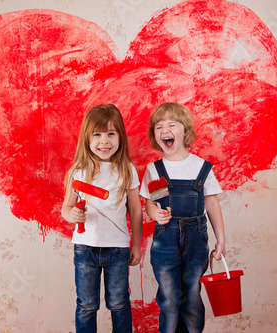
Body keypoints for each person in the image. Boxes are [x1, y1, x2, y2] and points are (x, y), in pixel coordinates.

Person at [139, 102, 226, 333]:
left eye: (171, 124)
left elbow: (211, 204)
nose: (164, 130)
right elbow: (150, 203)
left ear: (185, 131)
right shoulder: (155, 170)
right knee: (169, 298)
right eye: (158, 127)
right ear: (154, 135)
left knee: (192, 297)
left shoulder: (200, 167)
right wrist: (155, 214)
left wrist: (221, 240)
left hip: (196, 241)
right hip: (165, 242)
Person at [62, 104, 142, 333]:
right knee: (87, 305)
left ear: (120, 137)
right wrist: (72, 214)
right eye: (97, 134)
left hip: (117, 250)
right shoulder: (78, 171)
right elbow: (66, 208)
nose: (104, 141)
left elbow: (135, 210)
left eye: (111, 134)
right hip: (85, 249)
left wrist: (136, 245)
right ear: (87, 138)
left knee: (118, 303)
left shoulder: (127, 169)